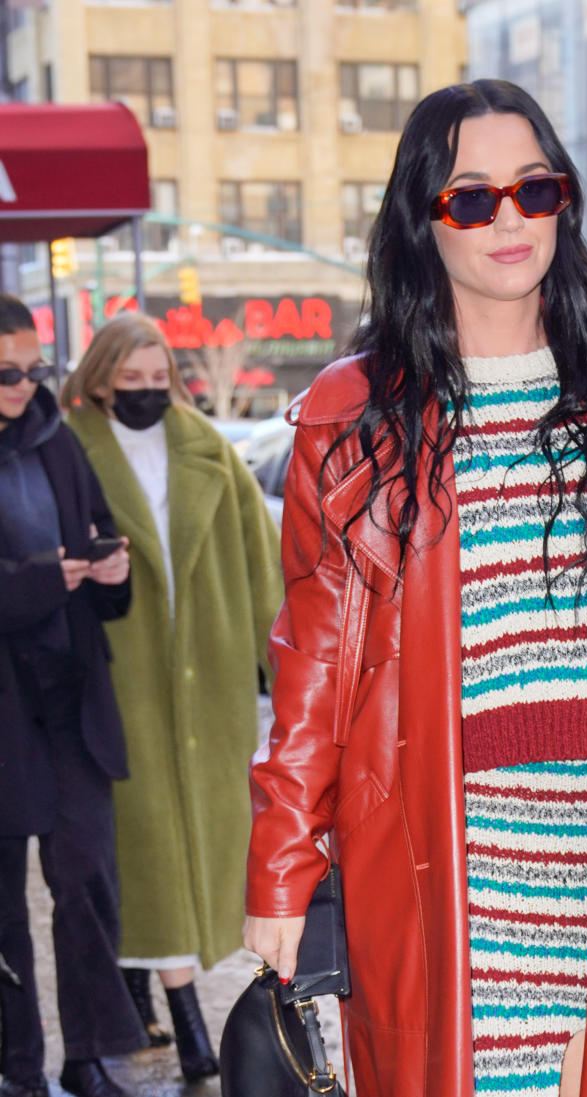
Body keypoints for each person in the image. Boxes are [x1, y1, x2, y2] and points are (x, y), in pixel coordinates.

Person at [242, 79, 587, 1097]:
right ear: (422, 222)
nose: (510, 219)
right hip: (435, 840)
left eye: (535, 189)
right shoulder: (352, 421)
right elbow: (311, 662)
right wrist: (281, 863)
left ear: (566, 201)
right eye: (471, 198)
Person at [62, 313, 283, 1083]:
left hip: (210, 685)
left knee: (199, 852)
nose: (149, 394)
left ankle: (140, 995)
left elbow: (264, 574)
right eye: (132, 383)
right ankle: (190, 1020)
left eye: (160, 381)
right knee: (147, 851)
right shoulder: (69, 452)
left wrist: (287, 681)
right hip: (117, 685)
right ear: (98, 380)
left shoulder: (208, 450)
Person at [0, 294, 146, 1097]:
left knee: (88, 881)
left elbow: (95, 532)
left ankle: (88, 1055)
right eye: (6, 372)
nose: (24, 385)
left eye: (35, 368)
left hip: (71, 702)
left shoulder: (57, 440)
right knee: (2, 914)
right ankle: (16, 1065)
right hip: (3, 711)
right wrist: (38, 582)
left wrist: (109, 572)